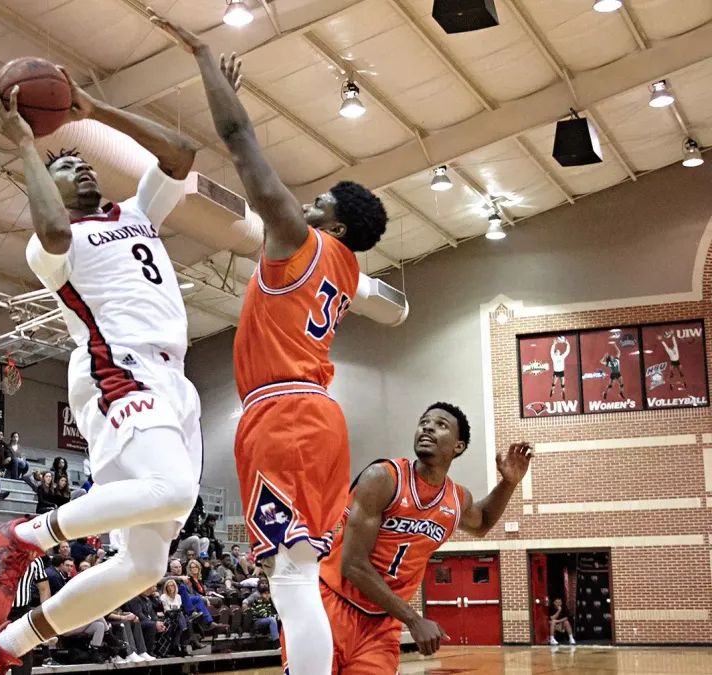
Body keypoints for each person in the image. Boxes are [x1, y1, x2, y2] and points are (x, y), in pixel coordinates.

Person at [150, 13, 388, 675]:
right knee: (299, 573)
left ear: (333, 219)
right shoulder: (345, 270)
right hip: (316, 416)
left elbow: (237, 136)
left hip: (282, 415)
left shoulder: (302, 238)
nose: (305, 200)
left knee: (289, 578)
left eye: (319, 199)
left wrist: (202, 58)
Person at [0, 62, 203, 675]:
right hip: (117, 367)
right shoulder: (52, 243)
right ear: (45, 185)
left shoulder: (137, 211)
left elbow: (182, 153)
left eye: (81, 160)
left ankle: (3, 647)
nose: (82, 165)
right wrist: (24, 144)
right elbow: (47, 224)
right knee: (174, 489)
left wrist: (94, 110)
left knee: (145, 566)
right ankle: (24, 537)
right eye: (64, 165)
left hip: (173, 380)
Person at [320, 403, 533, 672]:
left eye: (441, 425)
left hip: (383, 622)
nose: (428, 427)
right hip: (332, 605)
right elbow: (352, 564)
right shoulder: (383, 478)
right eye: (424, 422)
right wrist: (413, 619)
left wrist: (508, 483)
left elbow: (482, 525)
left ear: (458, 446)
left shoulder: (456, 499)